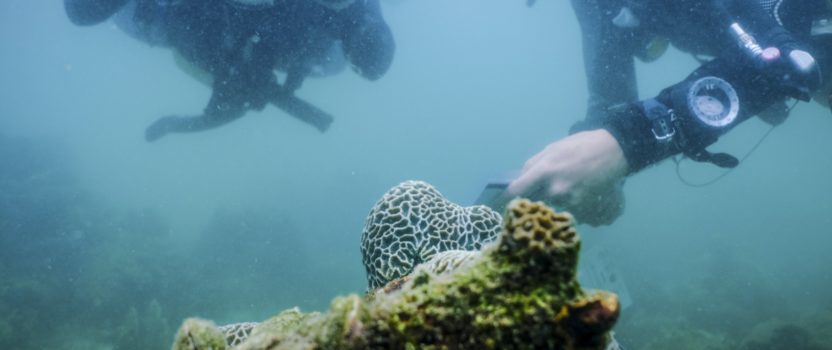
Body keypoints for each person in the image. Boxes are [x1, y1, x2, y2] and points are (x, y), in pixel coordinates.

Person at [508, 0, 832, 226]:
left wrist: (630, 139)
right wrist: (596, 168)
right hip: (755, 54)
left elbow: (804, 44)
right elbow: (608, 84)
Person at [64, 0, 395, 141]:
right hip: (191, 28)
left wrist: (361, 22)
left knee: (338, 57)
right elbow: (80, 11)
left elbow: (374, 59)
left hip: (293, 35)